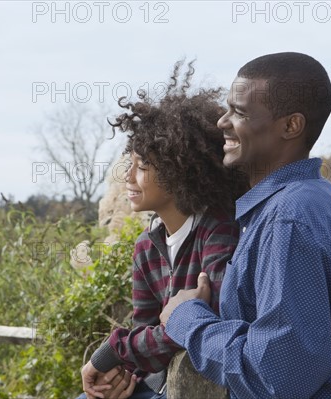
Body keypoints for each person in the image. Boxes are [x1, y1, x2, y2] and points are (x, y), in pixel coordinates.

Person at [159, 52, 331, 398]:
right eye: (228, 108)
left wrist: (187, 319)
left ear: (291, 126)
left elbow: (275, 377)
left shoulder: (287, 220)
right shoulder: (310, 198)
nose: (222, 122)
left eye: (241, 112)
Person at [78, 61, 249, 399]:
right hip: (157, 384)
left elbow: (209, 324)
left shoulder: (218, 231)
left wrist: (115, 350)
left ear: (178, 173)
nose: (129, 178)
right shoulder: (146, 248)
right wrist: (120, 371)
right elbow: (148, 332)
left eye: (142, 167)